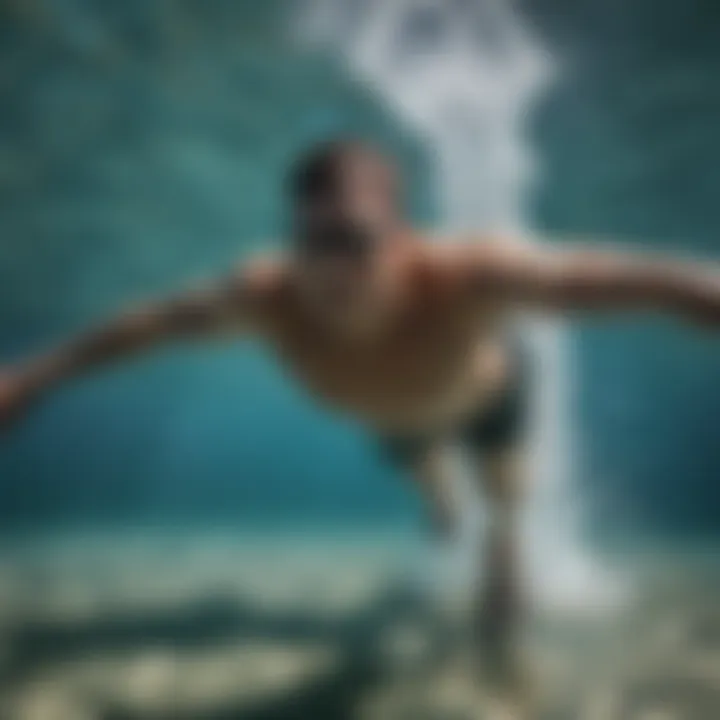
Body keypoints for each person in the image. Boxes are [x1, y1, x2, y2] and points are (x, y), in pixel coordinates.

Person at [0, 139, 718, 683]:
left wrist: (696, 294)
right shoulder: (265, 295)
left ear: (402, 238)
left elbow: (617, 279)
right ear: (294, 239)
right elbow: (145, 327)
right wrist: (32, 375)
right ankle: (439, 499)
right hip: (394, 416)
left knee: (504, 494)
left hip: (486, 395)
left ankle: (502, 546)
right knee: (428, 482)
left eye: (354, 239)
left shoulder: (466, 273)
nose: (334, 267)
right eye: (317, 240)